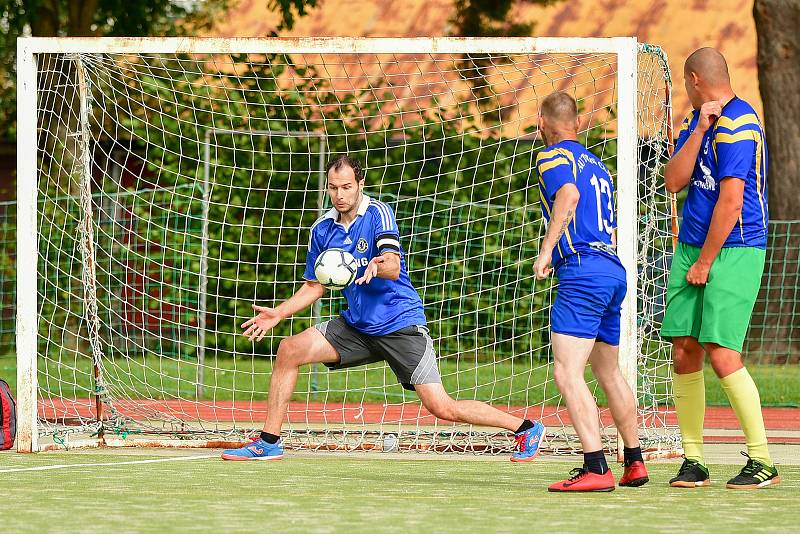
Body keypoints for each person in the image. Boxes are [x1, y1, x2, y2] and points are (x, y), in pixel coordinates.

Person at [222, 155, 545, 461]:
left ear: (360, 183)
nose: (339, 194)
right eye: (333, 187)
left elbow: (392, 263)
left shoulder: (378, 213)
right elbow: (315, 284)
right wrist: (279, 313)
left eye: (346, 186)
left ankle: (526, 429)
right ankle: (269, 443)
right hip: (358, 326)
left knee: (442, 408)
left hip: (399, 324)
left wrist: (380, 266)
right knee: (289, 349)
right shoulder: (322, 229)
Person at [661, 47, 779, 489]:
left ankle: (762, 459)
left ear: (694, 78)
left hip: (734, 248)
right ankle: (694, 460)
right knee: (684, 349)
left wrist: (707, 261)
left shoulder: (741, 124)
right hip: (693, 246)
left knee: (721, 350)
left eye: (682, 81)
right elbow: (674, 180)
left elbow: (731, 201)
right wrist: (698, 130)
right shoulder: (701, 120)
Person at [533, 91, 648, 492]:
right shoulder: (598, 165)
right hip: (611, 269)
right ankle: (634, 461)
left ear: (540, 124)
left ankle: (596, 466)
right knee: (607, 371)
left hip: (582, 271)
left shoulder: (552, 157)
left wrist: (546, 251)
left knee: (567, 372)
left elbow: (568, 196)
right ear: (578, 124)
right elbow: (609, 226)